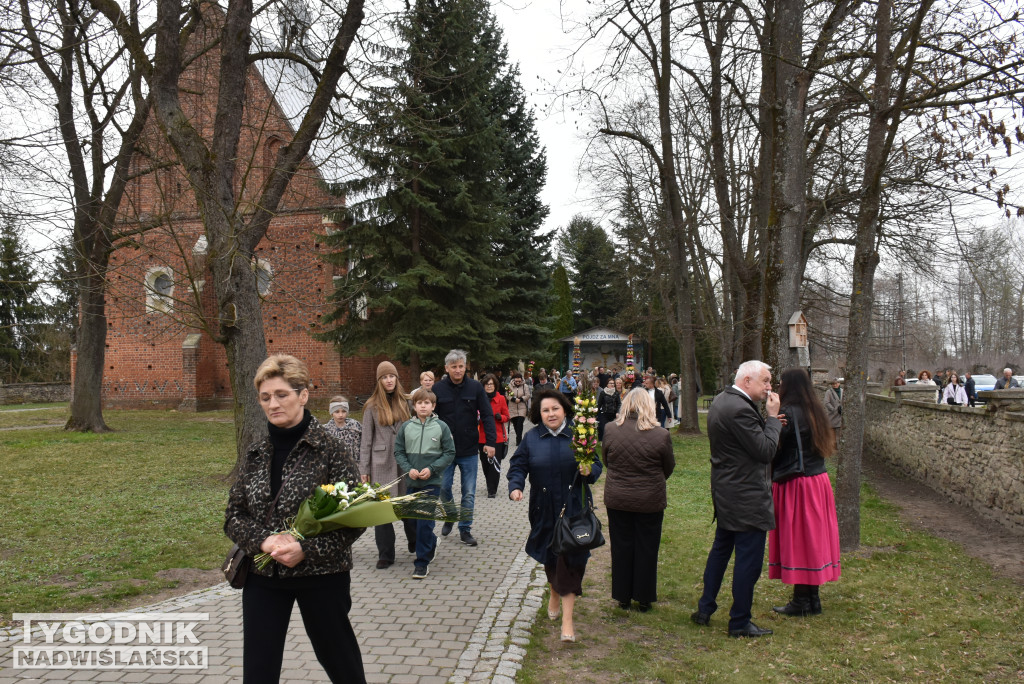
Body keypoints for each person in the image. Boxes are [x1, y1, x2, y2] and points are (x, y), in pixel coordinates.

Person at [225, 354, 366, 683]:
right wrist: (263, 540)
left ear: (303, 395)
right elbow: (234, 515)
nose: (272, 404)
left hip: (322, 575)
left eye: (281, 395)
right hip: (264, 574)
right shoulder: (256, 452)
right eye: (265, 397)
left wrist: (306, 549)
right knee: (258, 668)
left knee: (340, 661)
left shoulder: (331, 449)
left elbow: (355, 517)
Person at [691, 360, 782, 638]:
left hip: (728, 491)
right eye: (765, 381)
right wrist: (773, 420)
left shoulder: (722, 400)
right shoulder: (740, 409)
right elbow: (765, 450)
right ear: (746, 381)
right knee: (748, 562)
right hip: (746, 497)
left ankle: (705, 608)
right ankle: (739, 621)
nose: (769, 387)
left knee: (720, 551)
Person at [507, 390, 603, 643]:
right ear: (539, 414)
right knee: (552, 558)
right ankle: (554, 592)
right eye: (546, 410)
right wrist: (515, 485)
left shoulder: (579, 435)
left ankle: (568, 621)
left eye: (555, 409)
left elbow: (596, 465)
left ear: (565, 410)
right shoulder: (531, 438)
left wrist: (588, 469)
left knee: (571, 560)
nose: (551, 414)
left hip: (574, 509)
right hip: (544, 509)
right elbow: (518, 464)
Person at [768, 368, 841, 617]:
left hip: (797, 482)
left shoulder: (787, 413)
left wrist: (769, 421)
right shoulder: (815, 410)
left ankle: (802, 600)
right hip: (818, 480)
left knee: (800, 539)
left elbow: (772, 449)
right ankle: (812, 599)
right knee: (812, 539)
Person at [602, 389, 675, 612]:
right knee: (647, 547)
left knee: (621, 546)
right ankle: (643, 596)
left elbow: (607, 459)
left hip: (619, 497)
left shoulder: (611, 430)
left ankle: (622, 595)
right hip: (649, 498)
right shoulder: (660, 434)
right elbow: (668, 466)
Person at [393, 388, 456, 579]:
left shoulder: (441, 427)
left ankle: (421, 563)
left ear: (433, 406)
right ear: (414, 405)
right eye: (419, 403)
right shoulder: (406, 427)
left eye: (427, 403)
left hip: (432, 482)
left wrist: (433, 469)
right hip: (412, 481)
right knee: (411, 522)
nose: (423, 406)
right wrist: (408, 468)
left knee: (424, 523)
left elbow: (449, 452)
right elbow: (399, 452)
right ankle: (432, 542)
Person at [435, 349, 495, 547]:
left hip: (469, 449)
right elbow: (429, 418)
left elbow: (486, 415)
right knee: (443, 488)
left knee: (468, 492)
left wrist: (491, 442)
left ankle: (465, 529)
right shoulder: (438, 389)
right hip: (445, 451)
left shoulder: (475, 387)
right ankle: (450, 515)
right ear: (447, 368)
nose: (458, 370)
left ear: (465, 366)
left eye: (461, 366)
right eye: (454, 367)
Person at [360, 361, 416, 569]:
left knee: (407, 508)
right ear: (379, 381)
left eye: (391, 376)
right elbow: (366, 441)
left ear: (397, 378)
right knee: (382, 513)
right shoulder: (371, 407)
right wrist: (363, 470)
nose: (389, 380)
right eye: (384, 377)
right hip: (380, 465)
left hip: (404, 463)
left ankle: (415, 541)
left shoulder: (408, 402)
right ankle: (386, 554)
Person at [478, 373, 510, 498]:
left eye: (491, 384)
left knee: (495, 464)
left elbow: (507, 417)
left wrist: (500, 417)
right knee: (485, 463)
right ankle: (488, 483)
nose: (489, 386)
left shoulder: (501, 398)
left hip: (497, 437)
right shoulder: (480, 399)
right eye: (487, 384)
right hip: (482, 437)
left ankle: (492, 489)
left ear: (495, 385)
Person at [324, 395, 362, 459]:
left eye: (344, 411)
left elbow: (361, 449)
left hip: (354, 466)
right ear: (331, 412)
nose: (340, 415)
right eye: (337, 412)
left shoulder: (355, 428)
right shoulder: (325, 431)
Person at [507, 371, 531, 446]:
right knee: (515, 424)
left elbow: (528, 395)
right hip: (512, 407)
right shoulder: (509, 386)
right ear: (514, 380)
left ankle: (519, 440)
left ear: (521, 380)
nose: (518, 382)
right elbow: (507, 395)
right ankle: (518, 436)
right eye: (516, 381)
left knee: (520, 423)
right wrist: (513, 399)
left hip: (522, 407)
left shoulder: (525, 386)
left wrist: (521, 399)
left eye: (519, 381)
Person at [823, 378, 843, 447]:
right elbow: (826, 402)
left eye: (836, 383)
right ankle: (832, 447)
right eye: (833, 384)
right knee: (832, 431)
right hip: (832, 415)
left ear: (839, 383)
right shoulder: (829, 392)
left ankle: (839, 447)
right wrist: (833, 409)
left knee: (840, 432)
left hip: (841, 415)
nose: (835, 385)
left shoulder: (842, 391)